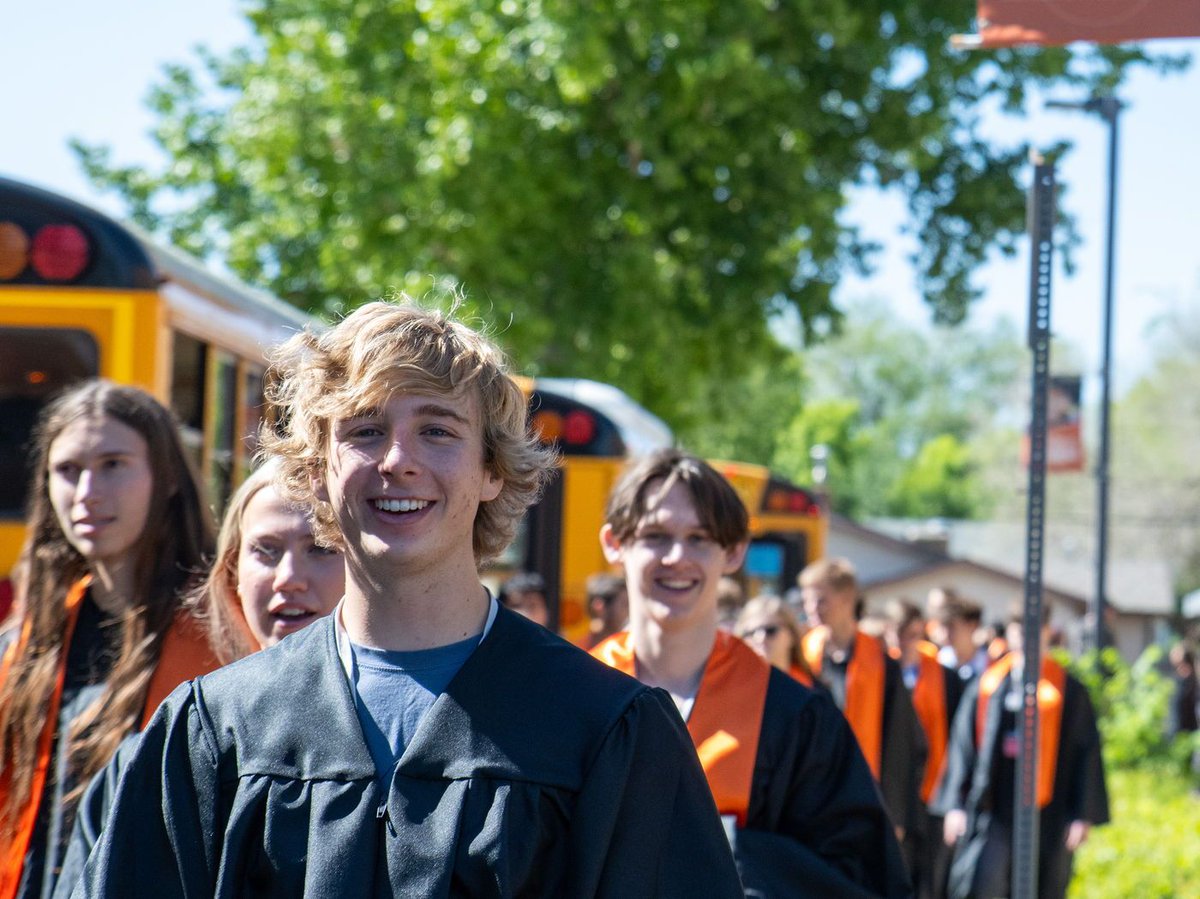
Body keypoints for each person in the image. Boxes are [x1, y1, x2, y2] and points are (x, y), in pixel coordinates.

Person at [77, 300, 742, 897]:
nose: (398, 459)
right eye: (364, 430)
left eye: (438, 430)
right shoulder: (218, 730)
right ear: (317, 467)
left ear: (491, 469)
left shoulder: (603, 730)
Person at [593, 450, 910, 898]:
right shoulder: (574, 698)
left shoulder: (794, 718)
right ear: (614, 544)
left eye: (700, 538)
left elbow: (860, 876)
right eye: (655, 536)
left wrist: (728, 855)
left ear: (735, 550)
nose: (677, 556)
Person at [53, 462, 345, 897]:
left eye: (320, 548)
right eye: (265, 550)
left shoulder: (399, 744)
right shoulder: (163, 753)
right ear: (234, 576)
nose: (288, 578)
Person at [0, 381, 217, 899]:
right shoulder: (28, 640)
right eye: (67, 470)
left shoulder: (215, 639)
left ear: (167, 478)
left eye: (113, 464)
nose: (87, 493)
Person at [934, 609, 1109, 899]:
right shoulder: (990, 685)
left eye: (1034, 629)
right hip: (994, 806)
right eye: (1020, 630)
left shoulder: (1068, 689)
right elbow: (963, 747)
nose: (1027, 637)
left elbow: (1085, 754)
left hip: (1049, 811)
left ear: (1047, 632)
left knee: (1041, 885)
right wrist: (956, 804)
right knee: (985, 883)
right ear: (1011, 634)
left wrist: (1081, 814)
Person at [799, 559, 927, 850]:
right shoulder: (804, 656)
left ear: (847, 598)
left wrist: (895, 813)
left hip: (865, 796)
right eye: (807, 600)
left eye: (820, 600)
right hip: (812, 797)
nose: (811, 608)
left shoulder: (881, 663)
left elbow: (900, 743)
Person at [884, 599, 965, 899]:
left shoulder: (945, 677)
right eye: (898, 634)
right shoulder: (879, 675)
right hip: (895, 788)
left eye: (912, 634)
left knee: (932, 876)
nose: (904, 642)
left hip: (934, 787)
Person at [735, 594, 817, 688]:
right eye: (750, 633)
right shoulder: (731, 690)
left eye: (770, 630)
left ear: (791, 635)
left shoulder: (813, 691)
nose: (760, 638)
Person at [927, 593, 989, 685]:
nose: (947, 633)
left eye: (952, 626)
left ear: (972, 625)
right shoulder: (940, 661)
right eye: (945, 626)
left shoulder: (988, 661)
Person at [579, 572, 628, 649]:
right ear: (599, 606)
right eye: (624, 605)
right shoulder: (579, 651)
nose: (628, 613)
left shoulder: (626, 647)